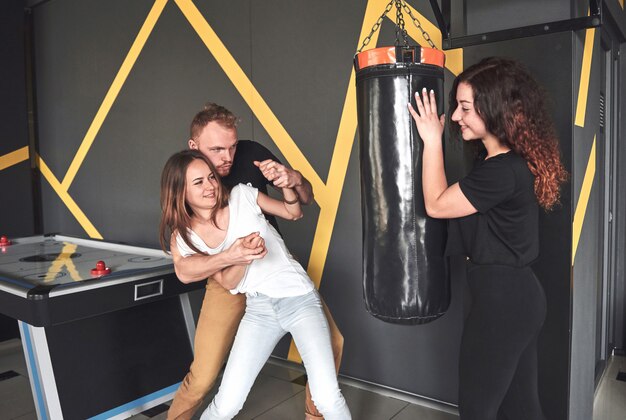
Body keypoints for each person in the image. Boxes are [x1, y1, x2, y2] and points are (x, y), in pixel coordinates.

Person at [408, 57, 567, 419]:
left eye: (465, 108)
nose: (453, 117)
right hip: (516, 297)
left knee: (478, 408)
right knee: (522, 407)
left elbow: (435, 205)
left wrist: (431, 141)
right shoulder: (505, 163)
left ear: (493, 109)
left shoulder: (501, 171)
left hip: (504, 300)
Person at [166, 103, 344, 420]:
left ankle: (316, 416)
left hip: (275, 272)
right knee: (205, 377)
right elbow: (198, 269)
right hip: (227, 273)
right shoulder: (187, 179)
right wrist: (232, 255)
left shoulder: (247, 171)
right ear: (194, 147)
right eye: (216, 149)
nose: (227, 158)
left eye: (232, 147)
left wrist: (293, 179)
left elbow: (299, 203)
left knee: (333, 347)